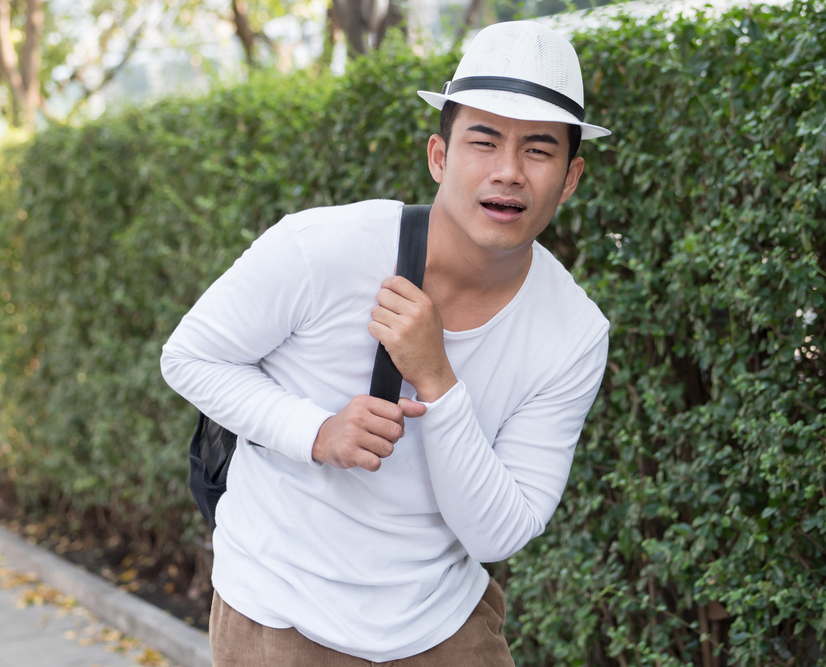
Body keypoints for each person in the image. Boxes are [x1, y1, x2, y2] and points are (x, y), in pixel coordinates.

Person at [161, 20, 611, 666]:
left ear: (570, 178)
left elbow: (499, 531)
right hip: (282, 614)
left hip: (444, 624)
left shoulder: (573, 333)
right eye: (484, 141)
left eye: (538, 151)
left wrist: (437, 377)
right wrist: (317, 431)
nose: (508, 172)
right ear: (439, 156)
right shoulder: (325, 248)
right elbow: (190, 356)